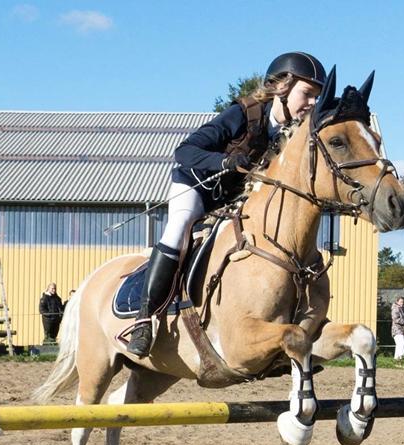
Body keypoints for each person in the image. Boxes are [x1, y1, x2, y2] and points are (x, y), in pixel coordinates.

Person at [127, 52, 327, 357]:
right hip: (197, 187)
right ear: (282, 88)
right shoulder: (243, 114)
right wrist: (225, 161)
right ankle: (144, 319)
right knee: (179, 228)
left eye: (317, 97)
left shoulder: (294, 134)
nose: (312, 103)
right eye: (308, 94)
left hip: (233, 199)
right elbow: (184, 151)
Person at [389, 296, 404, 361]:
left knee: (399, 345)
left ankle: (396, 360)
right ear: (397, 302)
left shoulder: (403, 309)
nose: (402, 303)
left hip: (402, 330)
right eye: (401, 302)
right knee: (402, 345)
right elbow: (396, 319)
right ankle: (400, 358)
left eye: (403, 302)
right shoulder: (395, 309)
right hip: (396, 330)